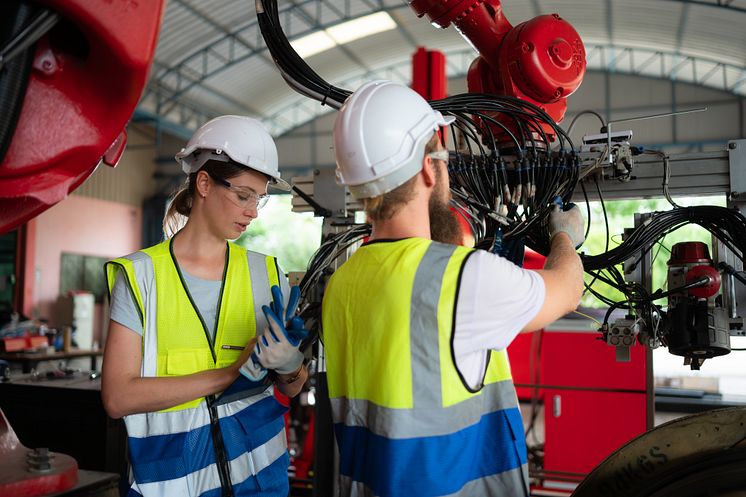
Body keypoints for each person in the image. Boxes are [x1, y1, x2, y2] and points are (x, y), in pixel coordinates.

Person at [321, 81, 585, 497]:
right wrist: (565, 236)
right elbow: (568, 290)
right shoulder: (465, 277)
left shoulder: (342, 283)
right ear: (428, 168)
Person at [101, 115, 309, 497]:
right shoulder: (141, 277)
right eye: (243, 195)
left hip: (261, 483)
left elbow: (293, 390)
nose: (253, 211)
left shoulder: (267, 273)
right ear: (203, 183)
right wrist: (230, 373)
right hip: (172, 485)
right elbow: (117, 397)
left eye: (259, 198)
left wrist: (292, 368)